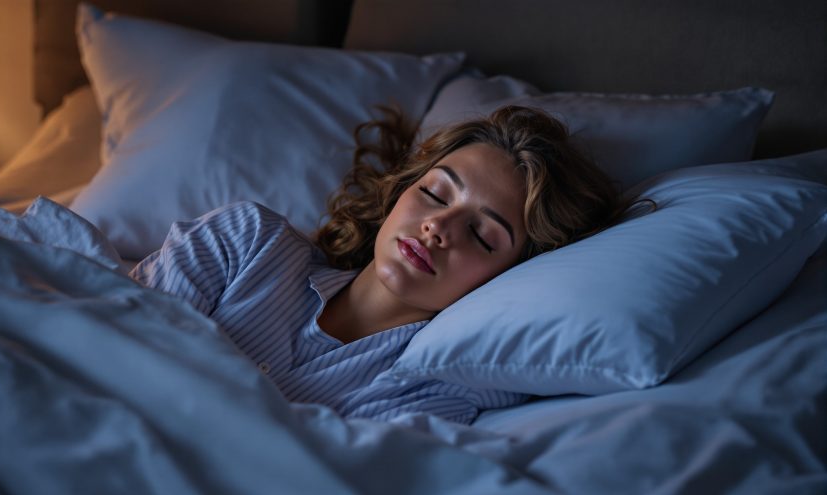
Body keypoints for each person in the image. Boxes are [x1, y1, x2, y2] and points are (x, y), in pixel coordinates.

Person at [131, 105, 632, 424]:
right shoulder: (244, 242)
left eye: (481, 234)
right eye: (436, 193)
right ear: (400, 191)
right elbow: (111, 335)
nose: (439, 228)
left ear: (513, 276)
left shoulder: (429, 391)